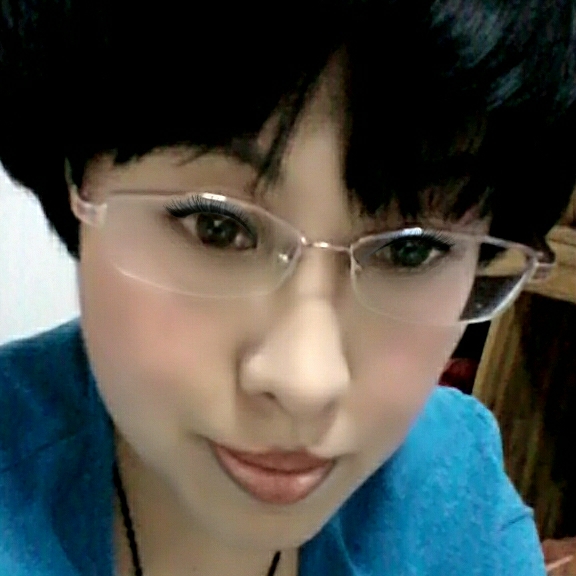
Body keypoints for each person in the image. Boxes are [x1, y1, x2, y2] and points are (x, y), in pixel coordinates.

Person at [1, 1, 576, 574]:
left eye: (411, 250)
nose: (306, 381)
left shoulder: (457, 496)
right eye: (217, 226)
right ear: (74, 179)